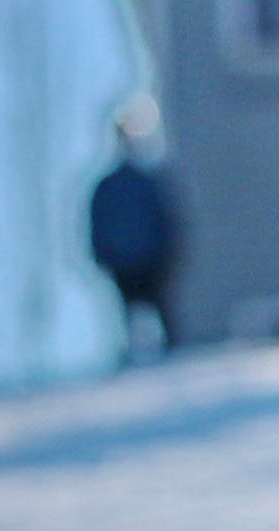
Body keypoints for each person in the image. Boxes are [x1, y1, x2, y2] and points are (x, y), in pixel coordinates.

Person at [88, 105, 182, 360]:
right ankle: (140, 355)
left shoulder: (146, 182)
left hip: (150, 262)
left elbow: (166, 220)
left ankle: (171, 356)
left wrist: (169, 253)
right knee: (132, 313)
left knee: (159, 311)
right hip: (128, 264)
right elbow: (99, 224)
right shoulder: (113, 186)